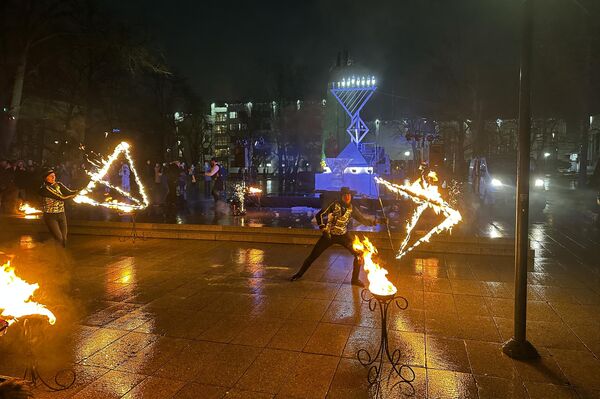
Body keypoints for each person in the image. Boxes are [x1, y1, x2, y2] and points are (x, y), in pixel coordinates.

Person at [290, 187, 387, 286]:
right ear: (341, 196)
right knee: (313, 255)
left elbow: (363, 220)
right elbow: (319, 215)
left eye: (349, 195)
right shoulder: (334, 205)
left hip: (343, 235)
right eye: (345, 195)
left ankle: (354, 280)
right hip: (329, 235)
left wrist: (377, 221)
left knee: (359, 254)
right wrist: (323, 228)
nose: (347, 197)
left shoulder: (352, 209)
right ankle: (299, 274)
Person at [39, 169, 78, 247]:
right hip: (50, 216)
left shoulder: (58, 185)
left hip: (61, 214)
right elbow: (61, 197)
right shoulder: (45, 189)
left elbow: (69, 192)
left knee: (64, 239)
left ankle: (62, 255)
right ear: (46, 178)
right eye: (51, 176)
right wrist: (73, 196)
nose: (53, 177)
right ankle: (53, 253)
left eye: (54, 175)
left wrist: (79, 191)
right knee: (59, 238)